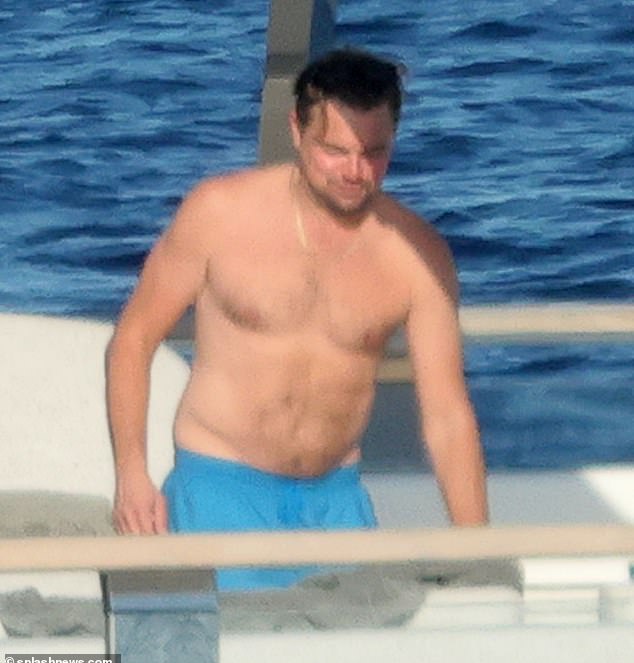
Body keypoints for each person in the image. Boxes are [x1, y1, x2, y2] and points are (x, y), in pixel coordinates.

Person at [106, 48, 488, 590]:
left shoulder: (418, 255)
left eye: (374, 153)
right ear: (296, 130)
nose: (355, 172)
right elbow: (134, 339)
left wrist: (479, 555)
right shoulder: (218, 213)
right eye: (335, 151)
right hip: (219, 489)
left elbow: (447, 415)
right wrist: (132, 475)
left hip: (336, 502)